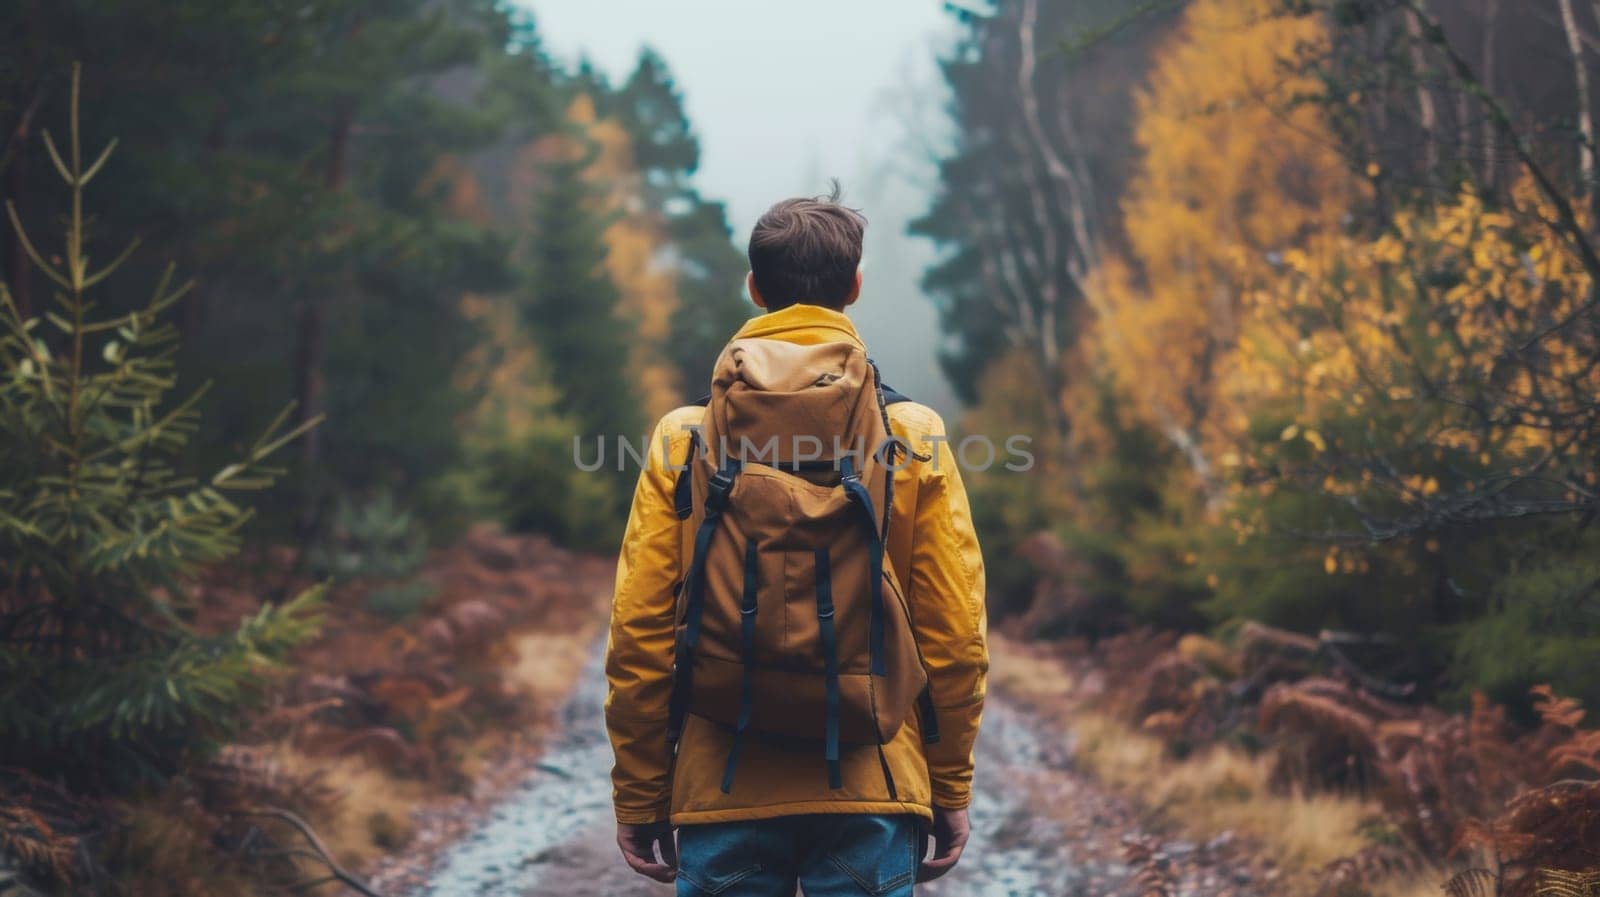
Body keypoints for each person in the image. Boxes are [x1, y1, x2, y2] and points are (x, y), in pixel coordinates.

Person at [604, 185, 988, 896]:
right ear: (854, 287)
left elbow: (640, 635)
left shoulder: (682, 438)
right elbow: (954, 633)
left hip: (721, 786)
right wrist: (949, 782)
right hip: (875, 782)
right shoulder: (913, 435)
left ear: (756, 289)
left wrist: (640, 793)